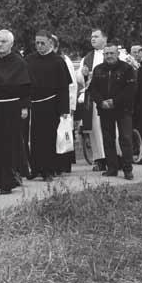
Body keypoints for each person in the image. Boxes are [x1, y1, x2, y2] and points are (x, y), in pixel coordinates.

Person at [0, 30, 30, 194]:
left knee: (10, 145)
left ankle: (8, 181)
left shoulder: (19, 62)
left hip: (11, 108)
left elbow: (24, 87)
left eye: (3, 42)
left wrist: (24, 107)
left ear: (11, 44)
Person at [25, 30, 72, 182]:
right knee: (34, 138)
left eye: (42, 43)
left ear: (50, 43)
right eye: (37, 43)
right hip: (33, 105)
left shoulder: (58, 61)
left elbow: (64, 88)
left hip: (51, 104)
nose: (39, 46)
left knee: (49, 138)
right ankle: (35, 168)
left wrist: (64, 109)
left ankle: (48, 170)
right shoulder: (29, 60)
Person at [89, 43, 136, 179]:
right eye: (106, 53)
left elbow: (130, 89)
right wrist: (100, 102)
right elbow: (93, 89)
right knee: (108, 139)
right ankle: (112, 168)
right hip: (105, 110)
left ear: (117, 54)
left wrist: (114, 102)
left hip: (123, 110)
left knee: (125, 139)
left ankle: (127, 169)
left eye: (112, 53)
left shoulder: (127, 69)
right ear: (103, 55)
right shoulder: (98, 70)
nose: (109, 56)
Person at [78, 28, 108, 171]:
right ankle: (99, 158)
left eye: (96, 36)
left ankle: (114, 157)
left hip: (107, 98)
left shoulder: (112, 54)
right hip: (92, 99)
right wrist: (83, 74)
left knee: (109, 128)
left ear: (105, 39)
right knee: (95, 130)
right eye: (91, 37)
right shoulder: (87, 58)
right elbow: (80, 79)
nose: (93, 39)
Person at [51, 34, 78, 174]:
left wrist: (70, 107)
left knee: (63, 134)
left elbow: (71, 85)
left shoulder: (63, 60)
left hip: (64, 104)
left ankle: (64, 165)